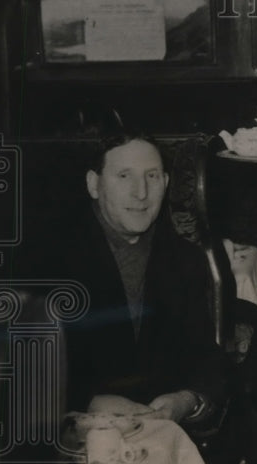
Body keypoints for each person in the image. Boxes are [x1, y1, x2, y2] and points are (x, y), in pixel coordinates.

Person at [32, 130, 226, 424]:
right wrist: (90, 402)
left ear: (167, 183)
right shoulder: (49, 257)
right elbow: (22, 366)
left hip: (160, 428)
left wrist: (188, 400)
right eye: (124, 176)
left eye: (152, 176)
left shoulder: (185, 258)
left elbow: (204, 355)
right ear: (94, 185)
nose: (141, 193)